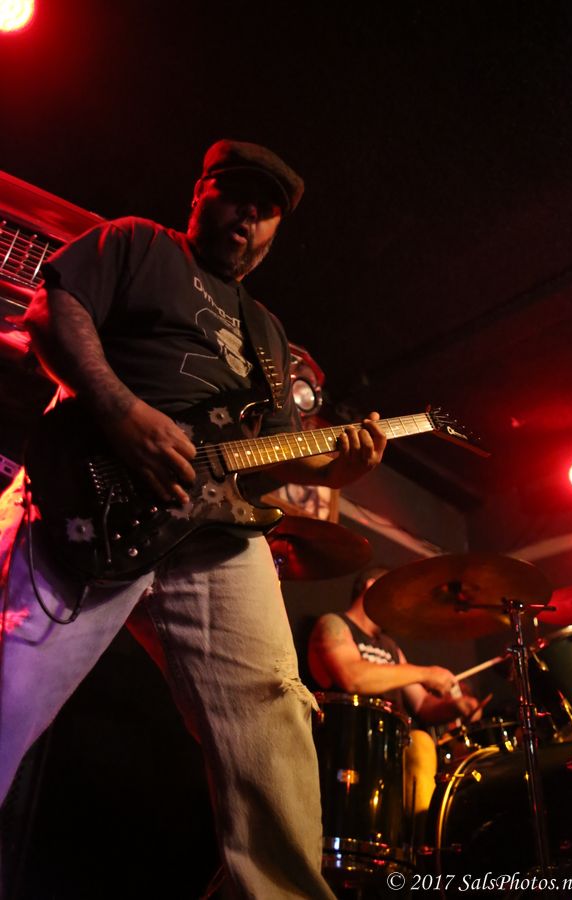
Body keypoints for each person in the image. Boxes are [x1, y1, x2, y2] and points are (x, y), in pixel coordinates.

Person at [0, 140, 389, 899]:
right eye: (236, 193)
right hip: (92, 492)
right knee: (11, 686)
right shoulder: (137, 243)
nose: (250, 214)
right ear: (200, 193)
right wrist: (122, 411)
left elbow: (265, 458)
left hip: (215, 532)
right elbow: (53, 310)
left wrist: (336, 469)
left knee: (273, 720)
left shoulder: (268, 333)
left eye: (267, 209)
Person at [307, 566, 481, 843]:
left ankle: (423, 844)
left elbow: (422, 705)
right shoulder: (334, 624)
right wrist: (424, 673)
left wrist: (456, 706)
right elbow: (352, 677)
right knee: (421, 742)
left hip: (392, 750)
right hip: (349, 746)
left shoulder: (390, 646)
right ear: (371, 586)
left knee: (422, 742)